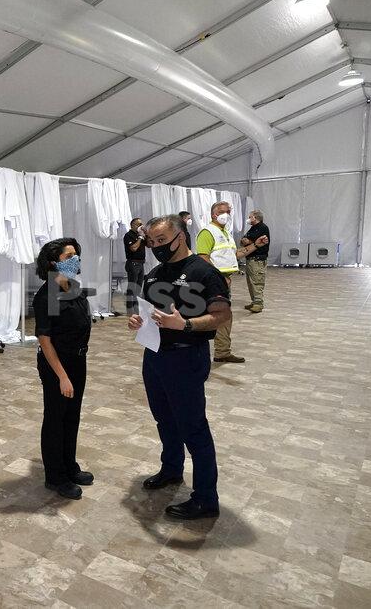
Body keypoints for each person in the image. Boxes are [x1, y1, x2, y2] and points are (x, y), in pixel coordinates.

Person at [128, 215, 231, 519]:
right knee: (164, 419)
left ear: (181, 237)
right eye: (152, 242)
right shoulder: (155, 273)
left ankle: (205, 498)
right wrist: (138, 321)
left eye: (162, 240)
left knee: (193, 427)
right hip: (155, 354)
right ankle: (171, 469)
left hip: (186, 356)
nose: (156, 247)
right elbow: (149, 312)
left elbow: (222, 315)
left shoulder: (203, 272)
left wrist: (184, 324)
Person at [33, 238, 93, 500]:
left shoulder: (74, 287)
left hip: (78, 361)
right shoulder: (48, 295)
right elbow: (45, 341)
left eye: (76, 254)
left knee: (73, 417)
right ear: (53, 262)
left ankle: (70, 466)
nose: (75, 259)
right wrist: (62, 377)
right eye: (69, 256)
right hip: (57, 365)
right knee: (56, 419)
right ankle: (55, 476)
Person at [194, 201, 267, 364]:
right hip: (215, 283)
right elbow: (203, 259)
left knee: (225, 317)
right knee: (215, 317)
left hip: (223, 282)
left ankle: (222, 351)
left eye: (229, 211)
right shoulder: (207, 232)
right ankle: (208, 353)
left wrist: (256, 245)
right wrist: (219, 279)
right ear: (214, 214)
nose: (227, 214)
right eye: (223, 211)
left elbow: (235, 255)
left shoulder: (225, 232)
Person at [240, 210, 270, 313]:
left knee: (257, 281)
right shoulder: (253, 228)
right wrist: (246, 241)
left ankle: (258, 303)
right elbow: (243, 240)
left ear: (255, 218)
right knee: (251, 282)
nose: (248, 219)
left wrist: (247, 241)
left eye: (250, 217)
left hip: (258, 260)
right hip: (251, 259)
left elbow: (248, 241)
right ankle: (254, 301)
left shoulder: (262, 228)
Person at [123, 218, 146, 315]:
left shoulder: (140, 235)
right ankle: (129, 309)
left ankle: (137, 308)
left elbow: (149, 245)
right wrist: (140, 238)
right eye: (138, 224)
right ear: (132, 225)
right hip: (133, 263)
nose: (140, 226)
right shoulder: (128, 235)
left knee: (138, 288)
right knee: (132, 287)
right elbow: (133, 248)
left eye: (141, 224)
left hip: (141, 263)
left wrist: (146, 236)